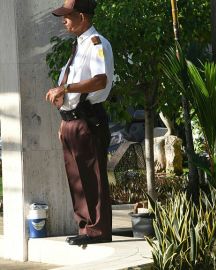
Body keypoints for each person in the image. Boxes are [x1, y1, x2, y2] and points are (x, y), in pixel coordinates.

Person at [46, 0, 114, 245]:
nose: (64, 20)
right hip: (72, 122)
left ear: (83, 17)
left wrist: (65, 87)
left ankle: (98, 231)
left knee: (92, 177)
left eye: (68, 15)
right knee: (77, 178)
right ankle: (86, 228)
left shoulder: (96, 44)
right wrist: (63, 118)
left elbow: (100, 81)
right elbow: (73, 94)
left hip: (88, 120)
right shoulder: (78, 47)